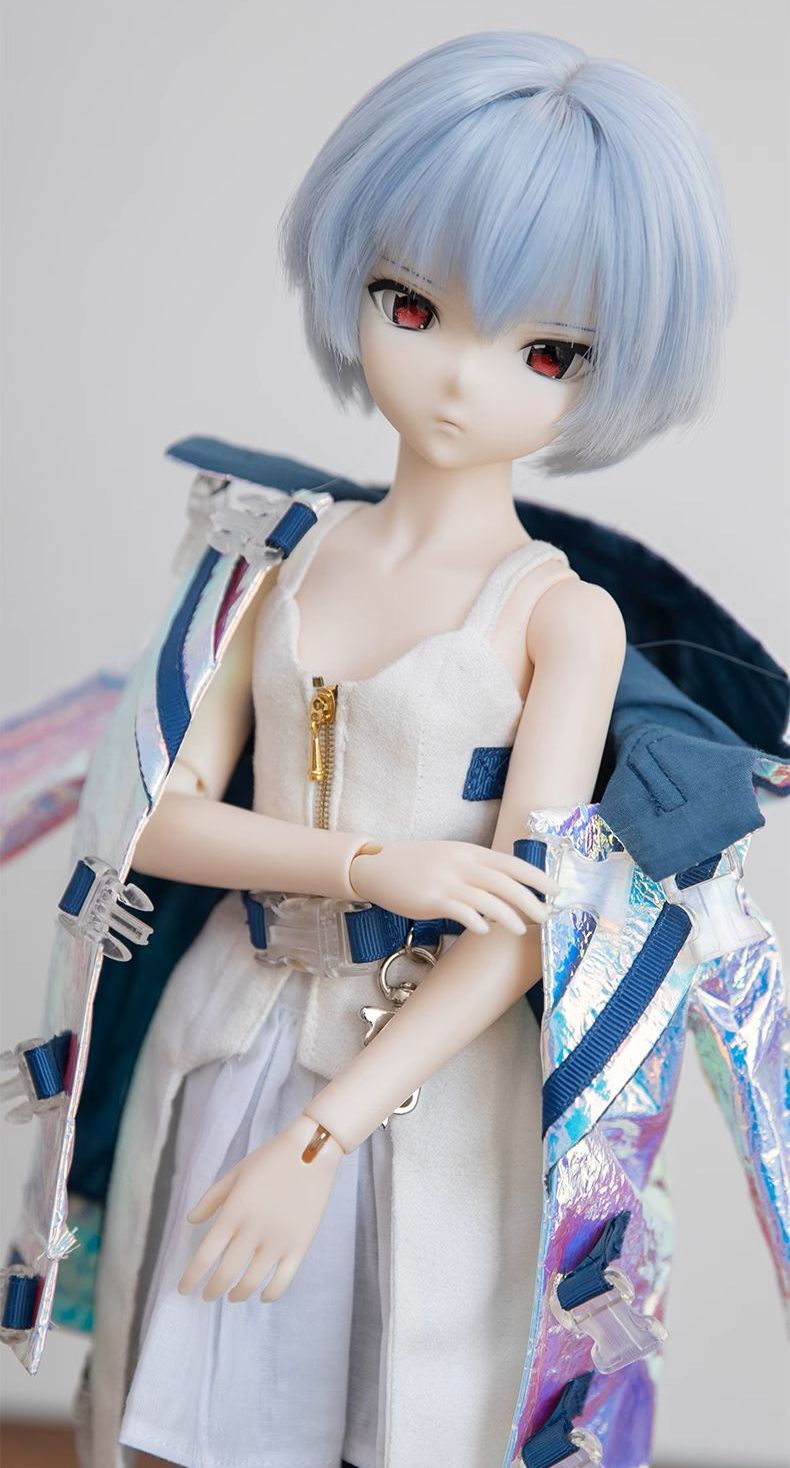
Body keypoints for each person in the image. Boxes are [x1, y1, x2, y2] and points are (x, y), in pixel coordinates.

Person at [3, 29, 787, 1468]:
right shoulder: (272, 561)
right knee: (169, 1410)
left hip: (424, 1084)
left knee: (404, 1410)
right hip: (223, 1025)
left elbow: (521, 930)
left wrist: (318, 1142)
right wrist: (373, 862)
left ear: (602, 374)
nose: (458, 379)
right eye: (411, 305)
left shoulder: (563, 619)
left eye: (543, 351)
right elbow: (155, 816)